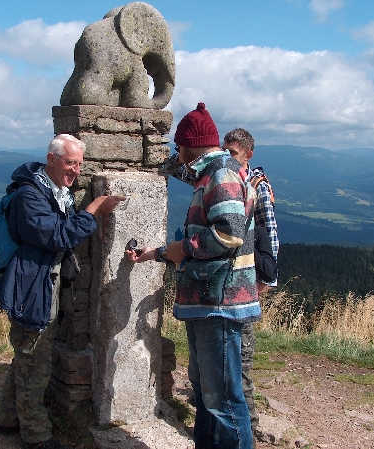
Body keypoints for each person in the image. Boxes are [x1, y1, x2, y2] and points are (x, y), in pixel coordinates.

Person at [126, 103, 261, 449]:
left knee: (224, 402)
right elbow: (207, 237)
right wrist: (156, 254)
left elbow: (229, 234)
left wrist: (182, 248)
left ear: (190, 144)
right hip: (208, 301)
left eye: (179, 144)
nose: (176, 151)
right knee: (206, 396)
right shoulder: (210, 171)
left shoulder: (222, 174)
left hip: (221, 303)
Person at [0, 134, 125, 449]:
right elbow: (58, 237)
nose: (76, 170)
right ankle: (36, 436)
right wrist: (93, 208)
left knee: (29, 355)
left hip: (42, 283)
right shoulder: (30, 196)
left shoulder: (55, 191)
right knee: (34, 360)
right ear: (51, 159)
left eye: (79, 163)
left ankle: (8, 418)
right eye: (70, 162)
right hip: (31, 287)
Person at [223, 129, 279, 444]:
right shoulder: (226, 178)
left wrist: (266, 279)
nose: (227, 157)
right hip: (227, 283)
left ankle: (250, 426)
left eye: (232, 152)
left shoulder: (257, 187)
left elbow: (269, 235)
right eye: (224, 151)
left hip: (247, 281)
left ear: (248, 154)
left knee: (241, 358)